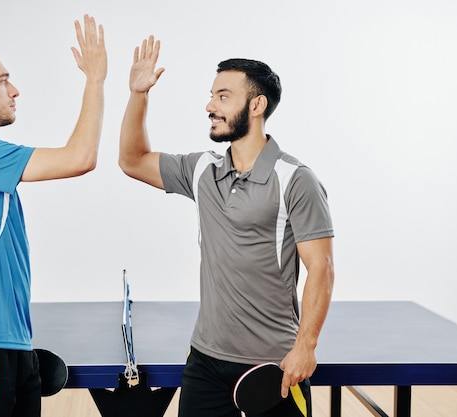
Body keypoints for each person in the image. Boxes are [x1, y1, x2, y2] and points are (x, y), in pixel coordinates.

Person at [119, 36, 335, 417]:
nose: (209, 106)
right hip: (205, 360)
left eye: (222, 97)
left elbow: (321, 267)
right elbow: (133, 160)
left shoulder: (295, 179)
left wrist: (307, 346)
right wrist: (139, 95)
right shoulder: (203, 170)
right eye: (211, 96)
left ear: (256, 105)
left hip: (273, 365)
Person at [0, 14, 106, 417]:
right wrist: (95, 80)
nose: (15, 90)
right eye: (3, 79)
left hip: (9, 343)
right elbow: (80, 158)